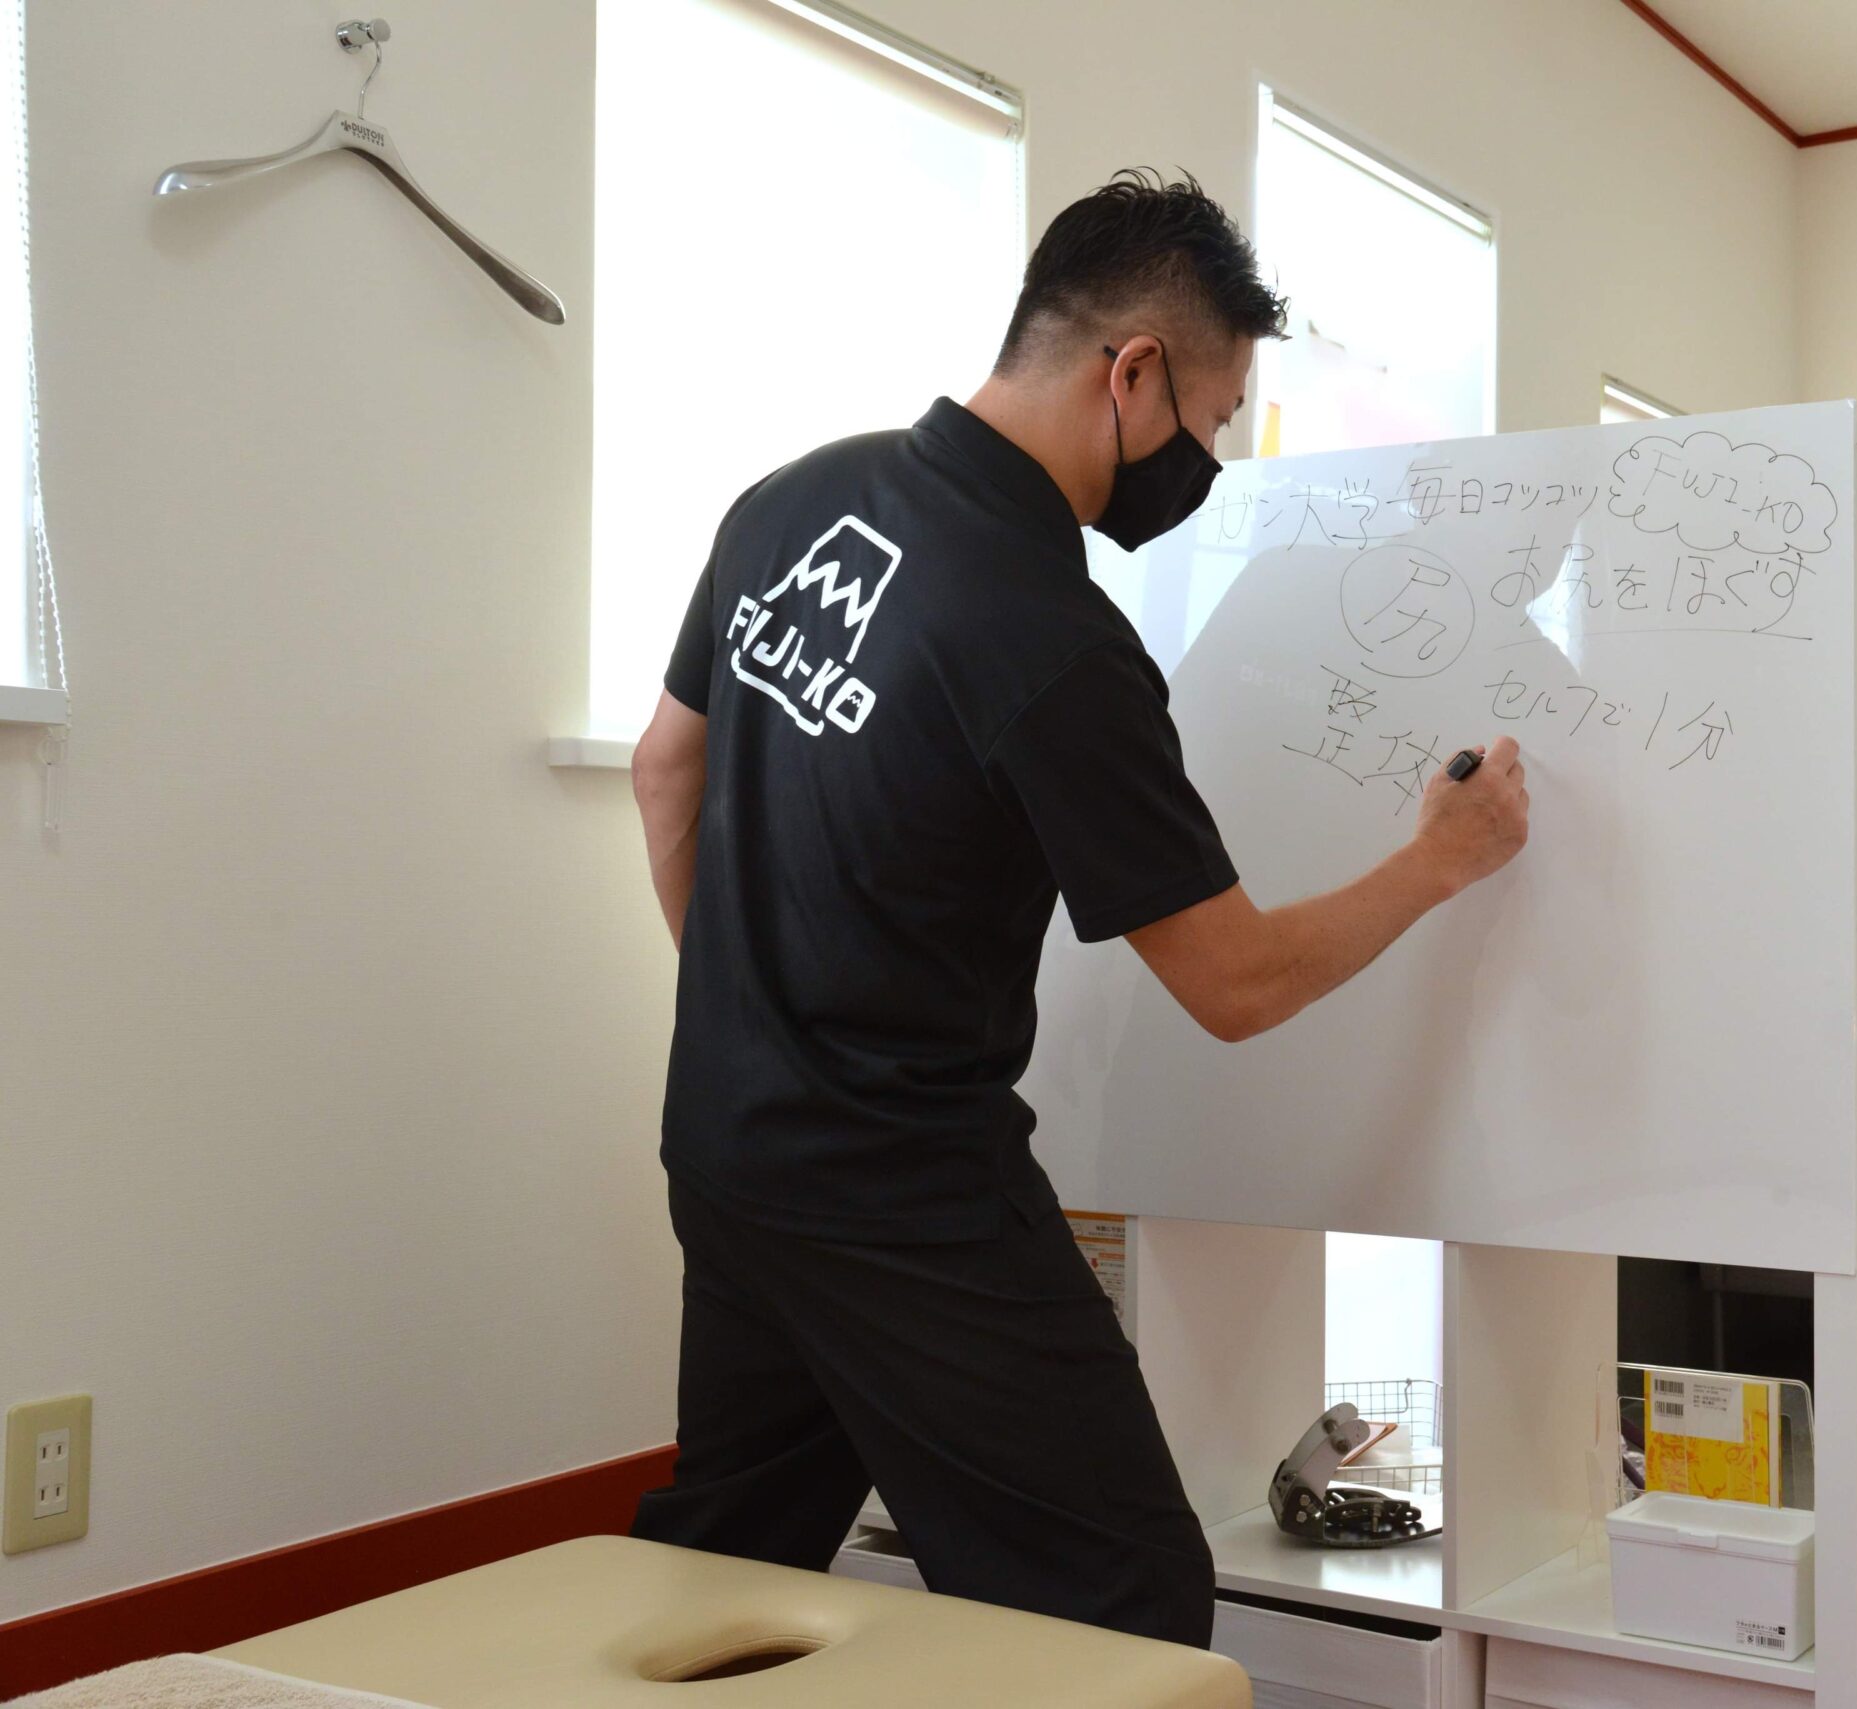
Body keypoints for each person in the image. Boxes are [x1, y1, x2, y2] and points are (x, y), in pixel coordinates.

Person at [624, 169, 1530, 1648]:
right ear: (1134, 373)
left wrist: (755, 1019)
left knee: (733, 1556)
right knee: (1126, 1598)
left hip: (723, 1137)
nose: (1206, 462)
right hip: (903, 1189)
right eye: (1214, 420)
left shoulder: (791, 498)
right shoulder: (1051, 636)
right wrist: (1440, 857)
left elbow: (666, 770)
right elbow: (1235, 983)